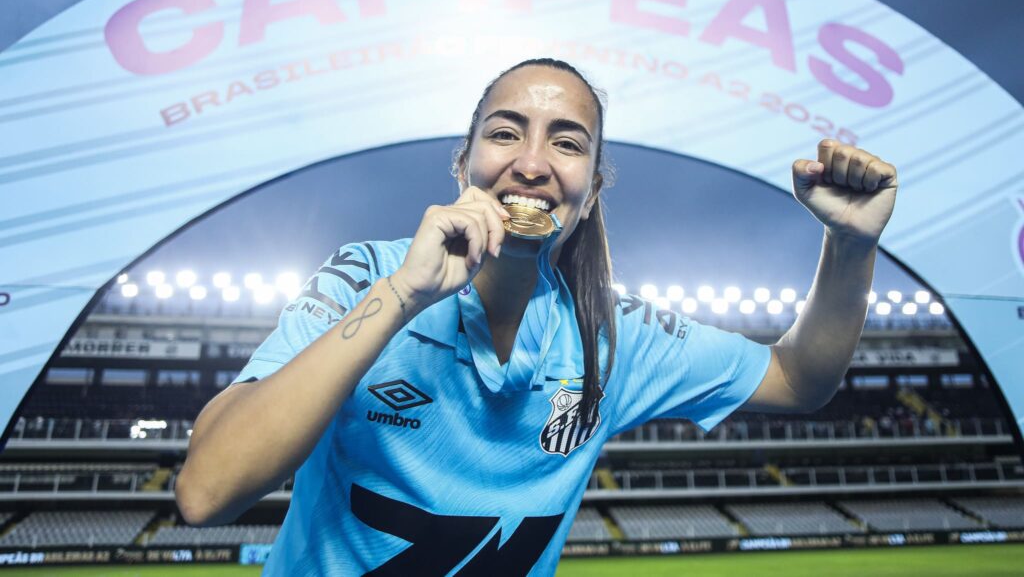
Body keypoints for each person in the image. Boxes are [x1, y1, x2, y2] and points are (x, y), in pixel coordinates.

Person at [174, 58, 897, 575]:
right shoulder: (367, 275)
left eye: (567, 142)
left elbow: (800, 376)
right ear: (463, 164)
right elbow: (206, 490)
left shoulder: (614, 337)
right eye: (504, 133)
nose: (531, 162)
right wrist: (403, 294)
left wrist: (852, 243)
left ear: (592, 189)